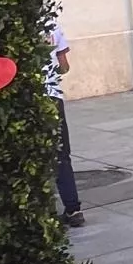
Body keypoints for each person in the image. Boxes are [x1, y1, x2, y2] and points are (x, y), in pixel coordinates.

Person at [46, 24, 83, 228]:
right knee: (61, 155)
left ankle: (44, 212)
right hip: (53, 97)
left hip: (30, 96)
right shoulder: (53, 27)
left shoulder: (16, 24)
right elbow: (64, 66)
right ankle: (73, 209)